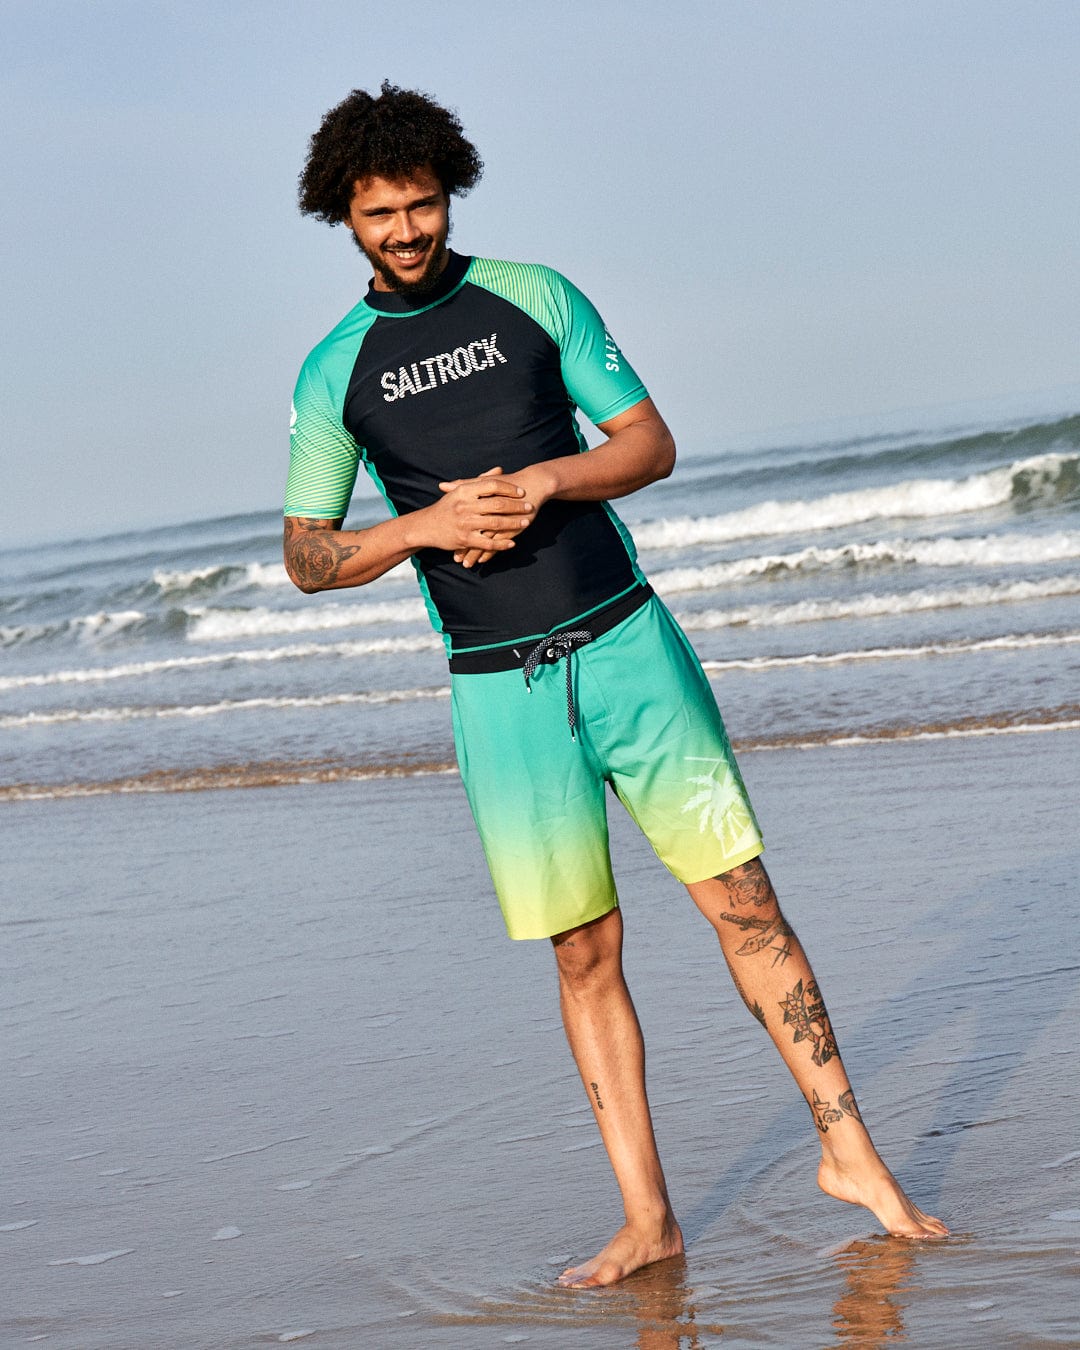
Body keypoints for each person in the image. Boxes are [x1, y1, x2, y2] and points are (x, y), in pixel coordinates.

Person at [283, 81, 948, 1287]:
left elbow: (650, 443)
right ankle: (650, 1219)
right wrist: (427, 524)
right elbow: (308, 555)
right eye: (379, 214)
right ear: (345, 215)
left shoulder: (534, 295)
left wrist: (543, 483)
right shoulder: (337, 372)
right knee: (584, 951)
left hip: (629, 646)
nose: (407, 231)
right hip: (500, 689)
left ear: (450, 191)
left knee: (745, 901)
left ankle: (854, 1157)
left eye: (423, 203)